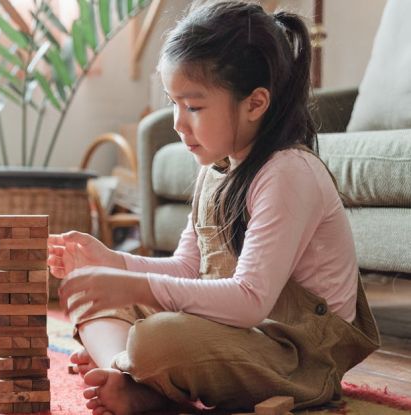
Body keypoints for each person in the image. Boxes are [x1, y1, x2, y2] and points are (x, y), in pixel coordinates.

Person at [48, 2, 380, 414]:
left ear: (255, 104)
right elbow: (189, 268)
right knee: (90, 296)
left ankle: (131, 372)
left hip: (295, 356)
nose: (176, 122)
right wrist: (110, 263)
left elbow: (249, 301)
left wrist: (132, 287)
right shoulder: (218, 166)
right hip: (234, 331)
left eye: (194, 106)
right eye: (173, 103)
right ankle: (129, 374)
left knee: (158, 339)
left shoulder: (288, 173)